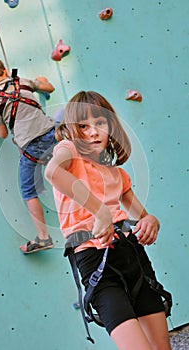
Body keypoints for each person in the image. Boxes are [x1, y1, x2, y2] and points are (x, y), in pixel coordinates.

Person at [45, 91, 172, 349]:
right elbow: (52, 171)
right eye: (83, 125)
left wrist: (151, 221)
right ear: (72, 129)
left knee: (162, 347)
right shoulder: (68, 153)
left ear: (111, 126)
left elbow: (143, 216)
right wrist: (100, 212)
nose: (92, 132)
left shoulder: (118, 175)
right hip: (96, 263)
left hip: (132, 256)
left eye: (100, 123)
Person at [0, 55, 57, 254]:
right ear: (5, 69)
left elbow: (2, 133)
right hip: (52, 135)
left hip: (30, 148)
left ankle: (44, 237)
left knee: (29, 192)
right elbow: (49, 88)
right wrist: (42, 82)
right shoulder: (24, 82)